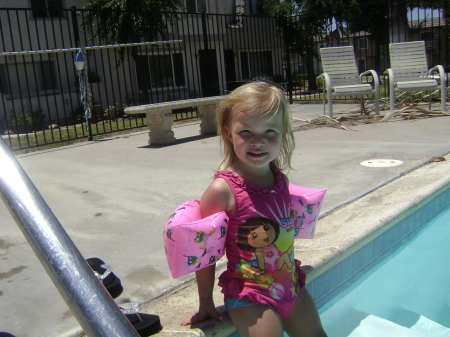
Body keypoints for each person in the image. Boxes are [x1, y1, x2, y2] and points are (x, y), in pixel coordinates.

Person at [180, 82, 327, 337]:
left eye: (269, 131)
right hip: (250, 296)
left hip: (291, 287)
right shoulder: (222, 190)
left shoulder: (280, 179)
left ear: (283, 134)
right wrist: (205, 301)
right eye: (246, 131)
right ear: (228, 133)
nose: (258, 141)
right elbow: (205, 252)